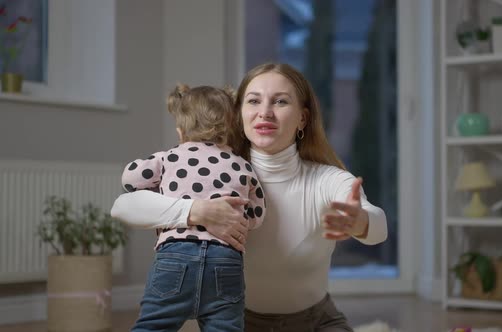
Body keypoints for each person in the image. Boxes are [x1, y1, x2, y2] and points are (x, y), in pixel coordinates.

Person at [112, 63, 388, 331]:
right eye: (254, 101)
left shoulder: (327, 180)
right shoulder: (214, 173)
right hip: (239, 322)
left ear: (302, 118)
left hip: (316, 322)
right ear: (238, 114)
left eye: (280, 102)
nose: (265, 112)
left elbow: (379, 227)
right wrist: (195, 211)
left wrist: (359, 221)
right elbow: (123, 205)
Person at [120, 84, 266, 331]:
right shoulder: (243, 166)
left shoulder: (169, 157)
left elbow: (130, 179)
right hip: (225, 260)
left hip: (175, 256)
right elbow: (256, 215)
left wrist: (163, 189)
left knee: (152, 326)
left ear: (180, 131)